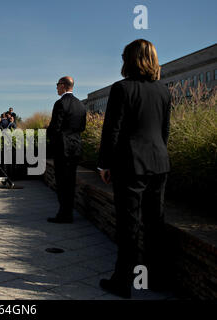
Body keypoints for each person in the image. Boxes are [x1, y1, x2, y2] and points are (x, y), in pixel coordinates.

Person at [97, 39, 172, 299]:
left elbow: (112, 130)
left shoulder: (122, 88)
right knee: (155, 223)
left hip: (130, 165)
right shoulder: (164, 91)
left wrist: (105, 163)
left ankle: (122, 282)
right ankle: (158, 279)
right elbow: (165, 132)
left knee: (129, 224)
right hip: (159, 163)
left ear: (129, 60)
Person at [46, 76, 86, 224]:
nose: (56, 87)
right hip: (75, 147)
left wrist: (49, 136)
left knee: (62, 182)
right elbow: (82, 127)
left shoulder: (60, 103)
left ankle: (64, 214)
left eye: (57, 85)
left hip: (62, 148)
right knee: (70, 181)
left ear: (63, 86)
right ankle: (67, 212)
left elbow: (55, 127)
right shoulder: (80, 105)